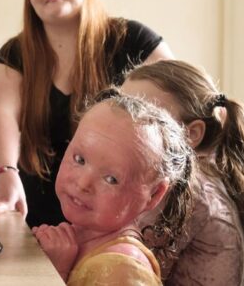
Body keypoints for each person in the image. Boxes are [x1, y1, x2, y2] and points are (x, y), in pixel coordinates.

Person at [0, 0, 173, 227]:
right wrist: (3, 173)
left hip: (114, 228)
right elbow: (1, 116)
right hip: (33, 222)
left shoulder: (134, 39)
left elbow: (184, 101)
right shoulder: (14, 54)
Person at [120, 59, 244, 285]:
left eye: (142, 117)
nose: (118, 125)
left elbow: (125, 270)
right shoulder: (211, 172)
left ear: (192, 134)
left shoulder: (186, 190)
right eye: (120, 108)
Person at [32, 90, 195, 285]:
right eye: (79, 159)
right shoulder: (81, 236)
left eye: (111, 179)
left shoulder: (123, 270)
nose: (83, 183)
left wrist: (56, 272)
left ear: (154, 195)